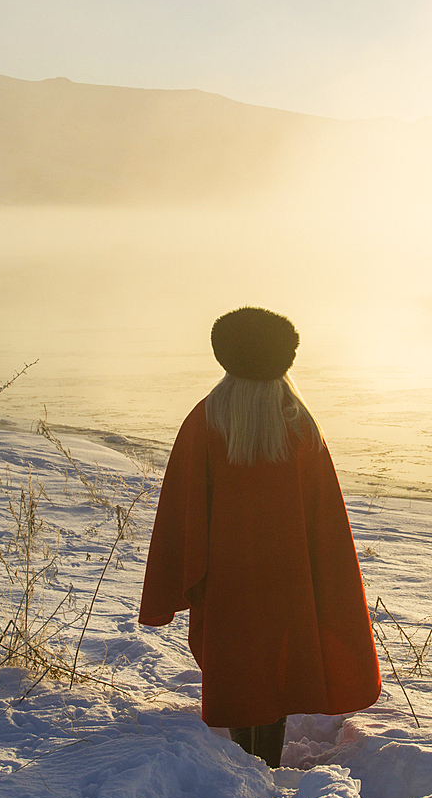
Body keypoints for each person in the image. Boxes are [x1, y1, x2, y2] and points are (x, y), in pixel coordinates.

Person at [138, 306, 381, 768]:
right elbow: (325, 524)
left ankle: (245, 763)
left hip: (228, 582)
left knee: (239, 667)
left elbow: (181, 511)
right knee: (278, 668)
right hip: (290, 581)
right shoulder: (301, 426)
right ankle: (262, 759)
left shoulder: (205, 420)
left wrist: (183, 578)